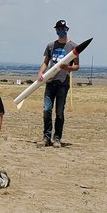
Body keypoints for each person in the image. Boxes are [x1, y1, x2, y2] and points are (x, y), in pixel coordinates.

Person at [38, 19, 80, 147]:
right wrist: (41, 73)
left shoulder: (73, 47)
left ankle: (57, 138)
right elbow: (46, 61)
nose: (61, 31)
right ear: (56, 30)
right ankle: (46, 137)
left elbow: (77, 66)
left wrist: (67, 68)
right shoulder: (51, 45)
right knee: (47, 111)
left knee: (59, 113)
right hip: (50, 82)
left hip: (63, 83)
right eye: (58, 29)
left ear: (66, 29)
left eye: (63, 29)